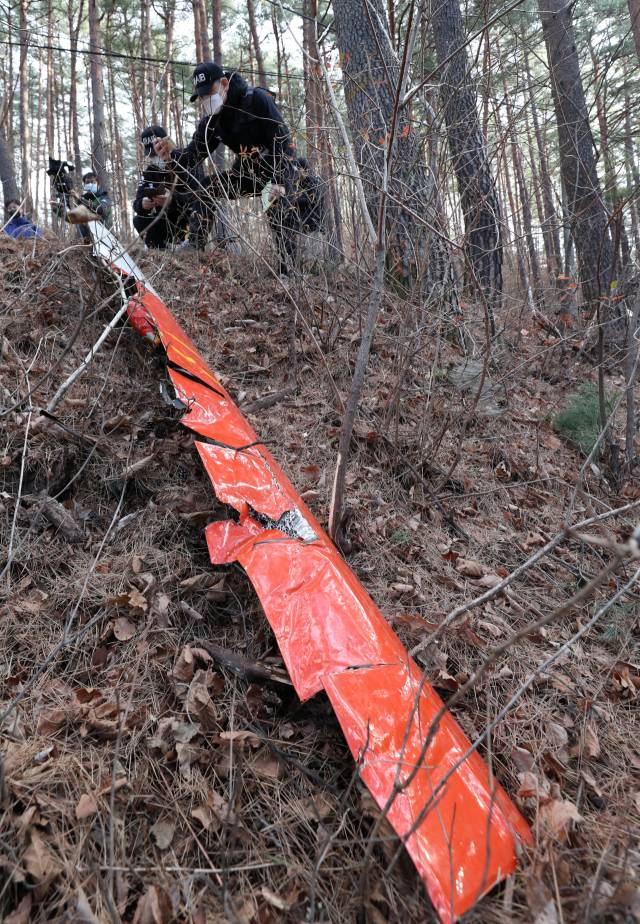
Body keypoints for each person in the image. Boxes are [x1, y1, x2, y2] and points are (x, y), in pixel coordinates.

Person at [154, 62, 303, 275]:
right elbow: (191, 156)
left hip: (278, 171)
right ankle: (196, 243)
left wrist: (280, 181)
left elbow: (283, 141)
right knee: (208, 186)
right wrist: (170, 155)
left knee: (276, 208)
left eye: (209, 93)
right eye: (202, 97)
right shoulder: (212, 122)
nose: (206, 101)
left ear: (224, 83)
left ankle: (288, 269)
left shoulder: (256, 99)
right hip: (247, 174)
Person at [132, 124, 210, 250]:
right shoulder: (150, 171)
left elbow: (200, 196)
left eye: (157, 151)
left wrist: (172, 200)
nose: (155, 157)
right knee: (139, 220)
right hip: (166, 223)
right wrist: (142, 204)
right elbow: (137, 202)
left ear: (167, 144)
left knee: (200, 210)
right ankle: (162, 252)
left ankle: (193, 246)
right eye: (151, 155)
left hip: (188, 221)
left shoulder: (186, 159)